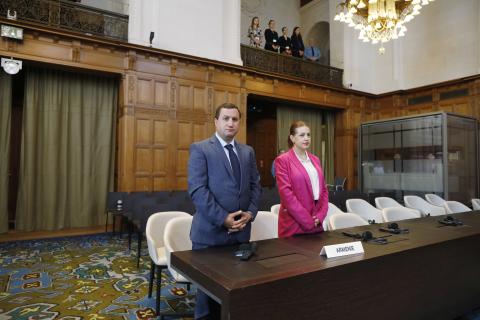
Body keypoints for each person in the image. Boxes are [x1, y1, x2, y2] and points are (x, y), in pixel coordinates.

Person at [188, 103, 262, 319]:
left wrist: (251, 212)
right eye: (226, 118)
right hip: (210, 235)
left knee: (236, 293)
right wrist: (223, 219)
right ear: (216, 121)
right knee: (207, 301)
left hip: (240, 234)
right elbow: (198, 190)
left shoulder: (247, 151)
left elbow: (255, 185)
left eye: (235, 119)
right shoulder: (201, 148)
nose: (231, 123)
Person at [275, 121, 328, 238]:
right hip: (294, 225)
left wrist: (320, 216)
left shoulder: (315, 159)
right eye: (302, 135)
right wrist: (308, 221)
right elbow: (286, 195)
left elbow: (324, 190)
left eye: (308, 135)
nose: (306, 138)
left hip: (316, 223)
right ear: (292, 138)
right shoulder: (283, 160)